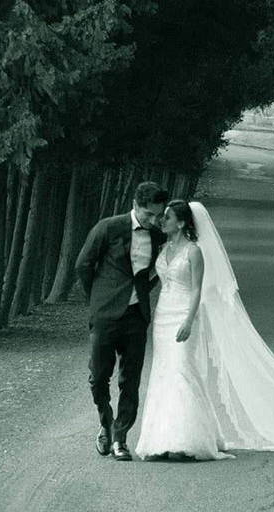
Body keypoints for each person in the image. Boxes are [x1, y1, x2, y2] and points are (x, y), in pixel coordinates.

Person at [131, 199, 274, 461]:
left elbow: (197, 288)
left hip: (184, 314)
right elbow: (154, 277)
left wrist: (188, 319)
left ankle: (186, 440)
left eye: (168, 217)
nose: (162, 221)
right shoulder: (164, 248)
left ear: (183, 222)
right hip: (163, 315)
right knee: (164, 372)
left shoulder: (194, 251)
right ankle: (160, 438)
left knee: (183, 370)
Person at [75, 180, 170, 461]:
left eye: (158, 215)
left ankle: (120, 438)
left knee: (130, 380)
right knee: (99, 376)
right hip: (105, 314)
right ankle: (105, 422)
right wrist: (97, 299)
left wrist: (145, 290)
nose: (153, 221)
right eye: (148, 215)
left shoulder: (157, 235)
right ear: (135, 206)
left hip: (136, 317)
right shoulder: (108, 228)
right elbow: (83, 264)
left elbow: (158, 267)